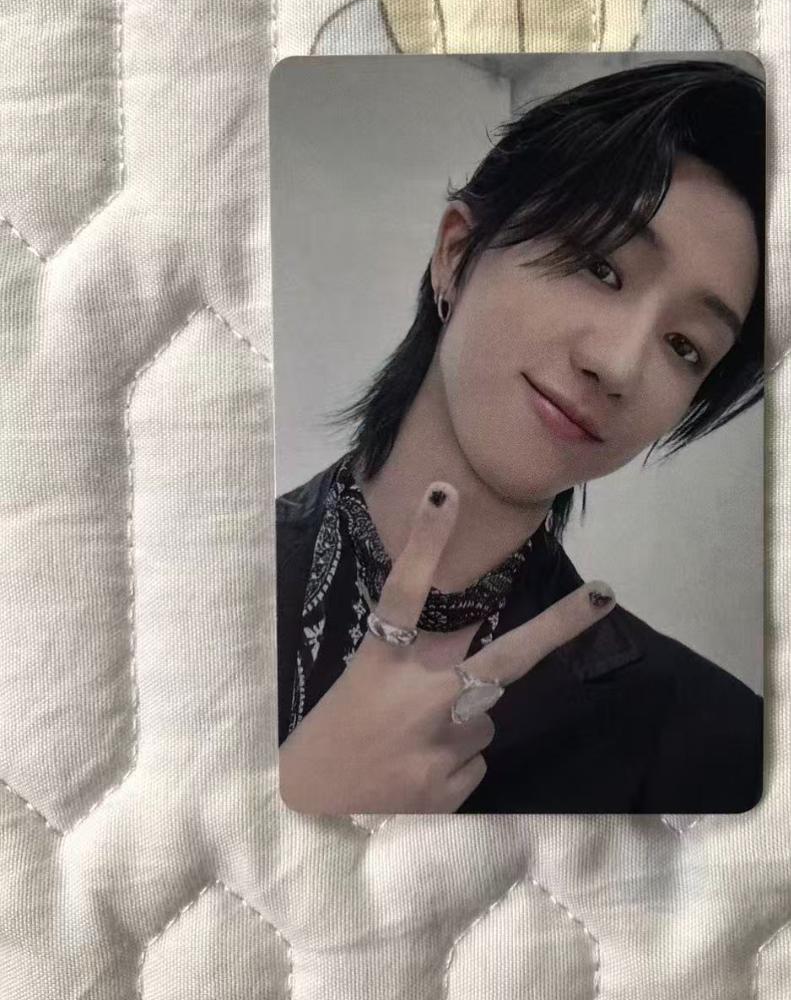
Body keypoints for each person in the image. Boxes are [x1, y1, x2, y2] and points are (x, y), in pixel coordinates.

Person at [276, 59, 765, 815]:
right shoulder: (176, 580)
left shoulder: (715, 745)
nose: (618, 366)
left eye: (685, 346)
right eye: (601, 266)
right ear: (457, 255)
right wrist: (303, 794)